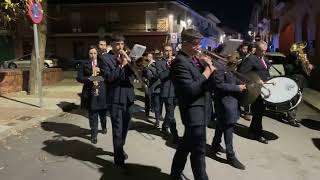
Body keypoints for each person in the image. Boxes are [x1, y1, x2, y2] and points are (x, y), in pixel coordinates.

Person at [170, 29, 216, 180]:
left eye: (199, 43)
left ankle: (175, 174)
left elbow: (206, 84)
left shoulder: (193, 59)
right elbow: (190, 89)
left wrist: (207, 67)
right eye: (196, 44)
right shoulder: (179, 62)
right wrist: (207, 72)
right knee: (199, 150)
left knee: (185, 147)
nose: (199, 47)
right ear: (185, 43)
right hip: (192, 112)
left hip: (202, 110)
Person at [100, 33, 134, 167]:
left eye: (121, 44)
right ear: (112, 45)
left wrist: (131, 64)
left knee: (125, 127)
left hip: (128, 97)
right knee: (117, 129)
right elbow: (109, 78)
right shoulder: (105, 59)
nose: (120, 47)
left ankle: (119, 149)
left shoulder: (127, 56)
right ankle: (119, 158)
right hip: (115, 98)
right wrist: (121, 66)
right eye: (117, 44)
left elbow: (135, 74)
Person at [211, 58, 246, 170]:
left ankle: (215, 144)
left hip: (231, 101)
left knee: (222, 123)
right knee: (228, 127)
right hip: (224, 102)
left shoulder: (228, 67)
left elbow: (233, 79)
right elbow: (219, 85)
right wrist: (237, 88)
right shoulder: (219, 67)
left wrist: (247, 83)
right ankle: (230, 156)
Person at [238, 41, 271, 144]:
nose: (264, 53)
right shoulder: (250, 59)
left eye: (265, 51)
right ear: (255, 49)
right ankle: (259, 134)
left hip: (264, 89)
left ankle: (252, 131)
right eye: (262, 51)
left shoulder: (264, 59)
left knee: (259, 112)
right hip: (255, 90)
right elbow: (242, 74)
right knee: (258, 112)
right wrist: (256, 81)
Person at [76, 45, 108, 144]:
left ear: (97, 53)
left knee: (103, 113)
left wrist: (100, 72)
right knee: (92, 115)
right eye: (91, 53)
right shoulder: (83, 64)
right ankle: (94, 135)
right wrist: (90, 78)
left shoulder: (102, 63)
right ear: (88, 54)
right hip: (90, 92)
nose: (93, 55)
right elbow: (79, 78)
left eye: (94, 53)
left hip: (102, 92)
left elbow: (107, 76)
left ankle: (104, 126)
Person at [284, 43, 314, 127]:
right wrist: (298, 62)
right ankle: (291, 118)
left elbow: (307, 68)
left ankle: (292, 116)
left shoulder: (302, 57)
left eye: (300, 50)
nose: (299, 52)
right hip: (293, 81)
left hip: (301, 81)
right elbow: (288, 69)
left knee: (297, 100)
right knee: (293, 99)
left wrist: (310, 66)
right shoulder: (289, 58)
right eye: (297, 51)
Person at [155, 43, 179, 143]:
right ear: (163, 52)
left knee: (170, 113)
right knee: (171, 114)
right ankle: (175, 135)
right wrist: (170, 67)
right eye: (166, 51)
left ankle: (165, 126)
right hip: (166, 92)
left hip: (176, 91)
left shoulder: (176, 62)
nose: (168, 53)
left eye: (170, 51)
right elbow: (161, 76)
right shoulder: (159, 63)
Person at [143, 52, 162, 127]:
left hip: (155, 88)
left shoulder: (151, 66)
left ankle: (157, 120)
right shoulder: (148, 65)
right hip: (151, 87)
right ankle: (149, 115)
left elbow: (150, 76)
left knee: (156, 105)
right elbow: (148, 76)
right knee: (150, 103)